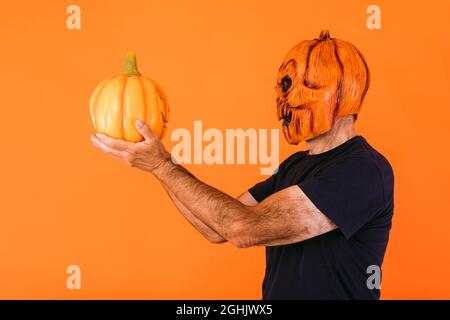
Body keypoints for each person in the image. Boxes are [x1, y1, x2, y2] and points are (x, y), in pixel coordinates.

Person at [90, 31, 394, 300]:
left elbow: (242, 228)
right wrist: (160, 165)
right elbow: (216, 228)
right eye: (284, 86)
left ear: (345, 94)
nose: (287, 99)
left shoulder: (363, 171)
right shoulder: (294, 166)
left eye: (308, 85)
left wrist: (163, 166)